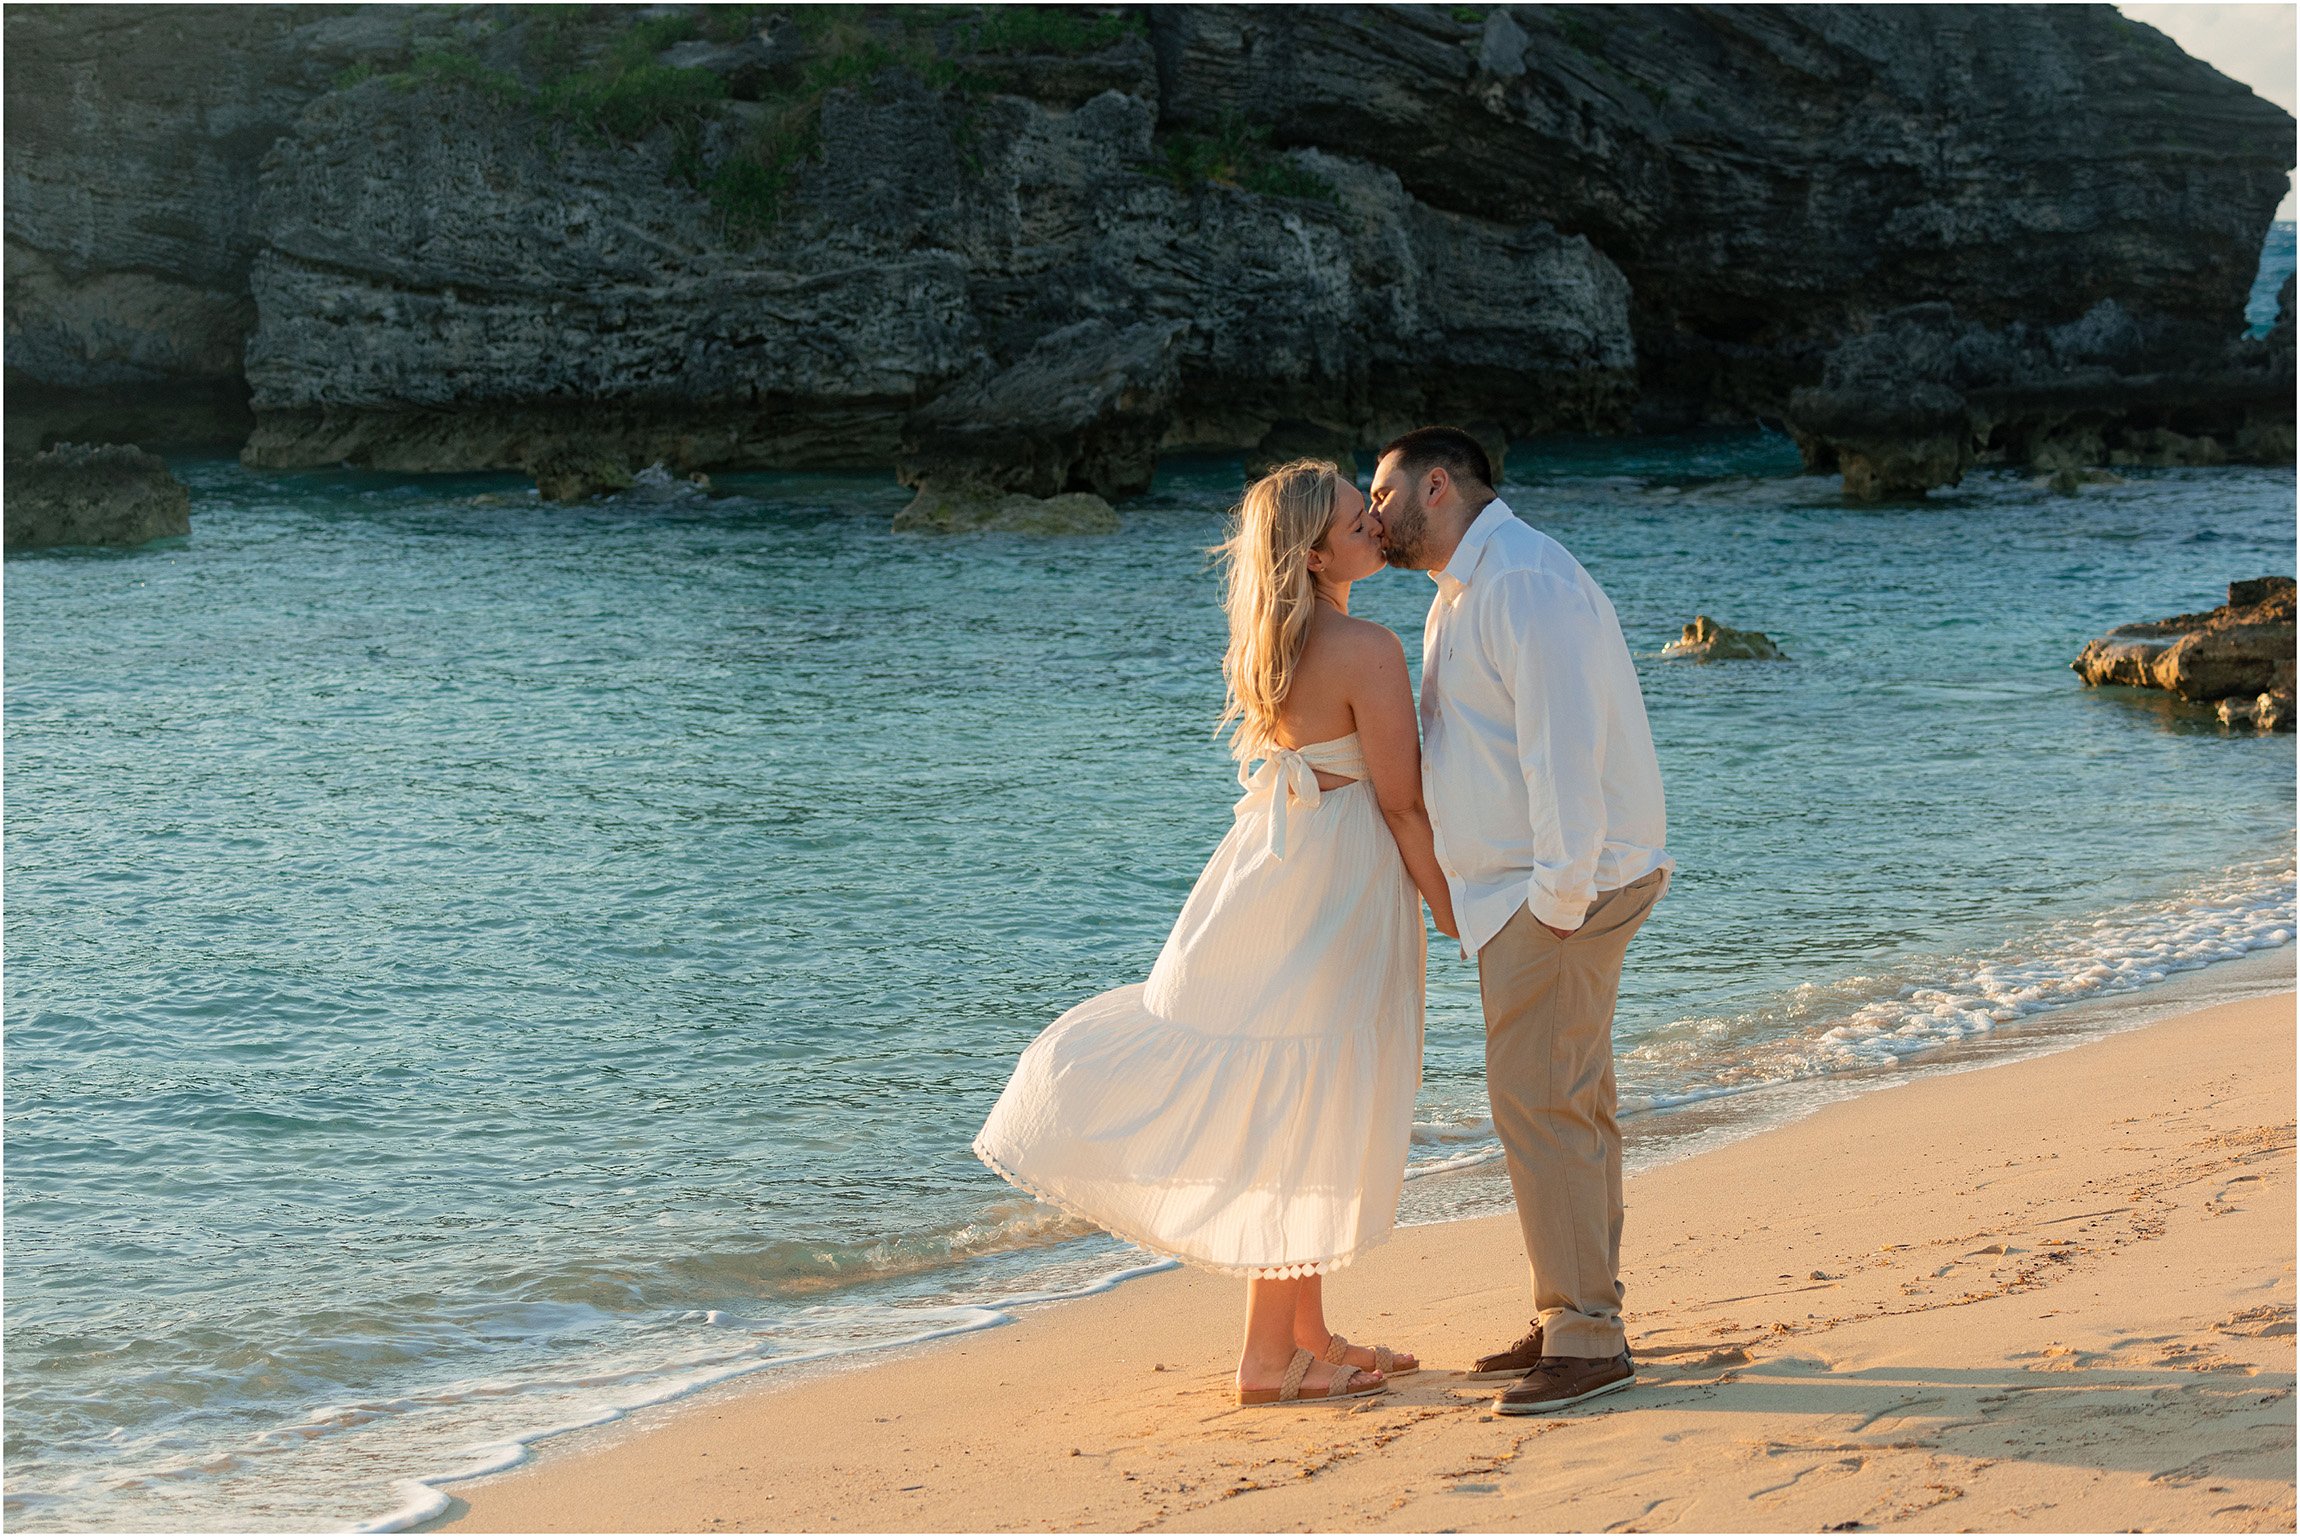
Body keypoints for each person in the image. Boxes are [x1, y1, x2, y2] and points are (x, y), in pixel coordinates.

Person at [974, 459, 1458, 1407]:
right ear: (1316, 550)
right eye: (1360, 521)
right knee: (1307, 1098)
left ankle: (1308, 1335)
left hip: (1270, 877)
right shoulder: (1367, 648)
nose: (1377, 528)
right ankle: (1268, 1358)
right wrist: (1452, 905)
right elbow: (1401, 803)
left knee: (1293, 1093)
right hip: (1336, 885)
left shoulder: (1274, 641)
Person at [1370, 425, 1672, 1416]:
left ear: (1438, 488)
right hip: (1529, 892)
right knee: (1562, 1103)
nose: (1373, 517)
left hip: (1559, 894)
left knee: (1539, 1104)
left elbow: (1561, 751)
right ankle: (1573, 1316)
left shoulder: (1519, 585)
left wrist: (1550, 906)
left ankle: (1587, 1337)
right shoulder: (1465, 591)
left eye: (1383, 494)